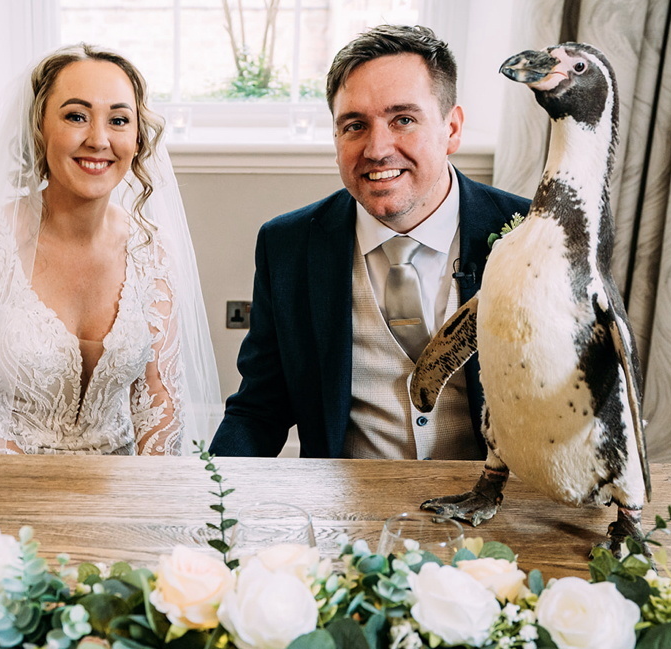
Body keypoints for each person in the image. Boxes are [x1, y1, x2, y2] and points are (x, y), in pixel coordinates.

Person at [0, 44, 220, 455]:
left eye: (119, 120)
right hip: (5, 489)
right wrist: (41, 511)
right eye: (76, 116)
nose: (99, 139)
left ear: (139, 138)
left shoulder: (153, 251)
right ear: (40, 128)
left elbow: (161, 407)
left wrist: (140, 503)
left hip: (123, 491)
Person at [209, 25, 529, 459]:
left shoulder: (533, 235)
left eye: (403, 120)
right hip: (345, 510)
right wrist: (214, 508)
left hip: (497, 510)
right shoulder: (287, 246)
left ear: (451, 129)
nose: (377, 149)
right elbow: (259, 409)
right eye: (355, 125)